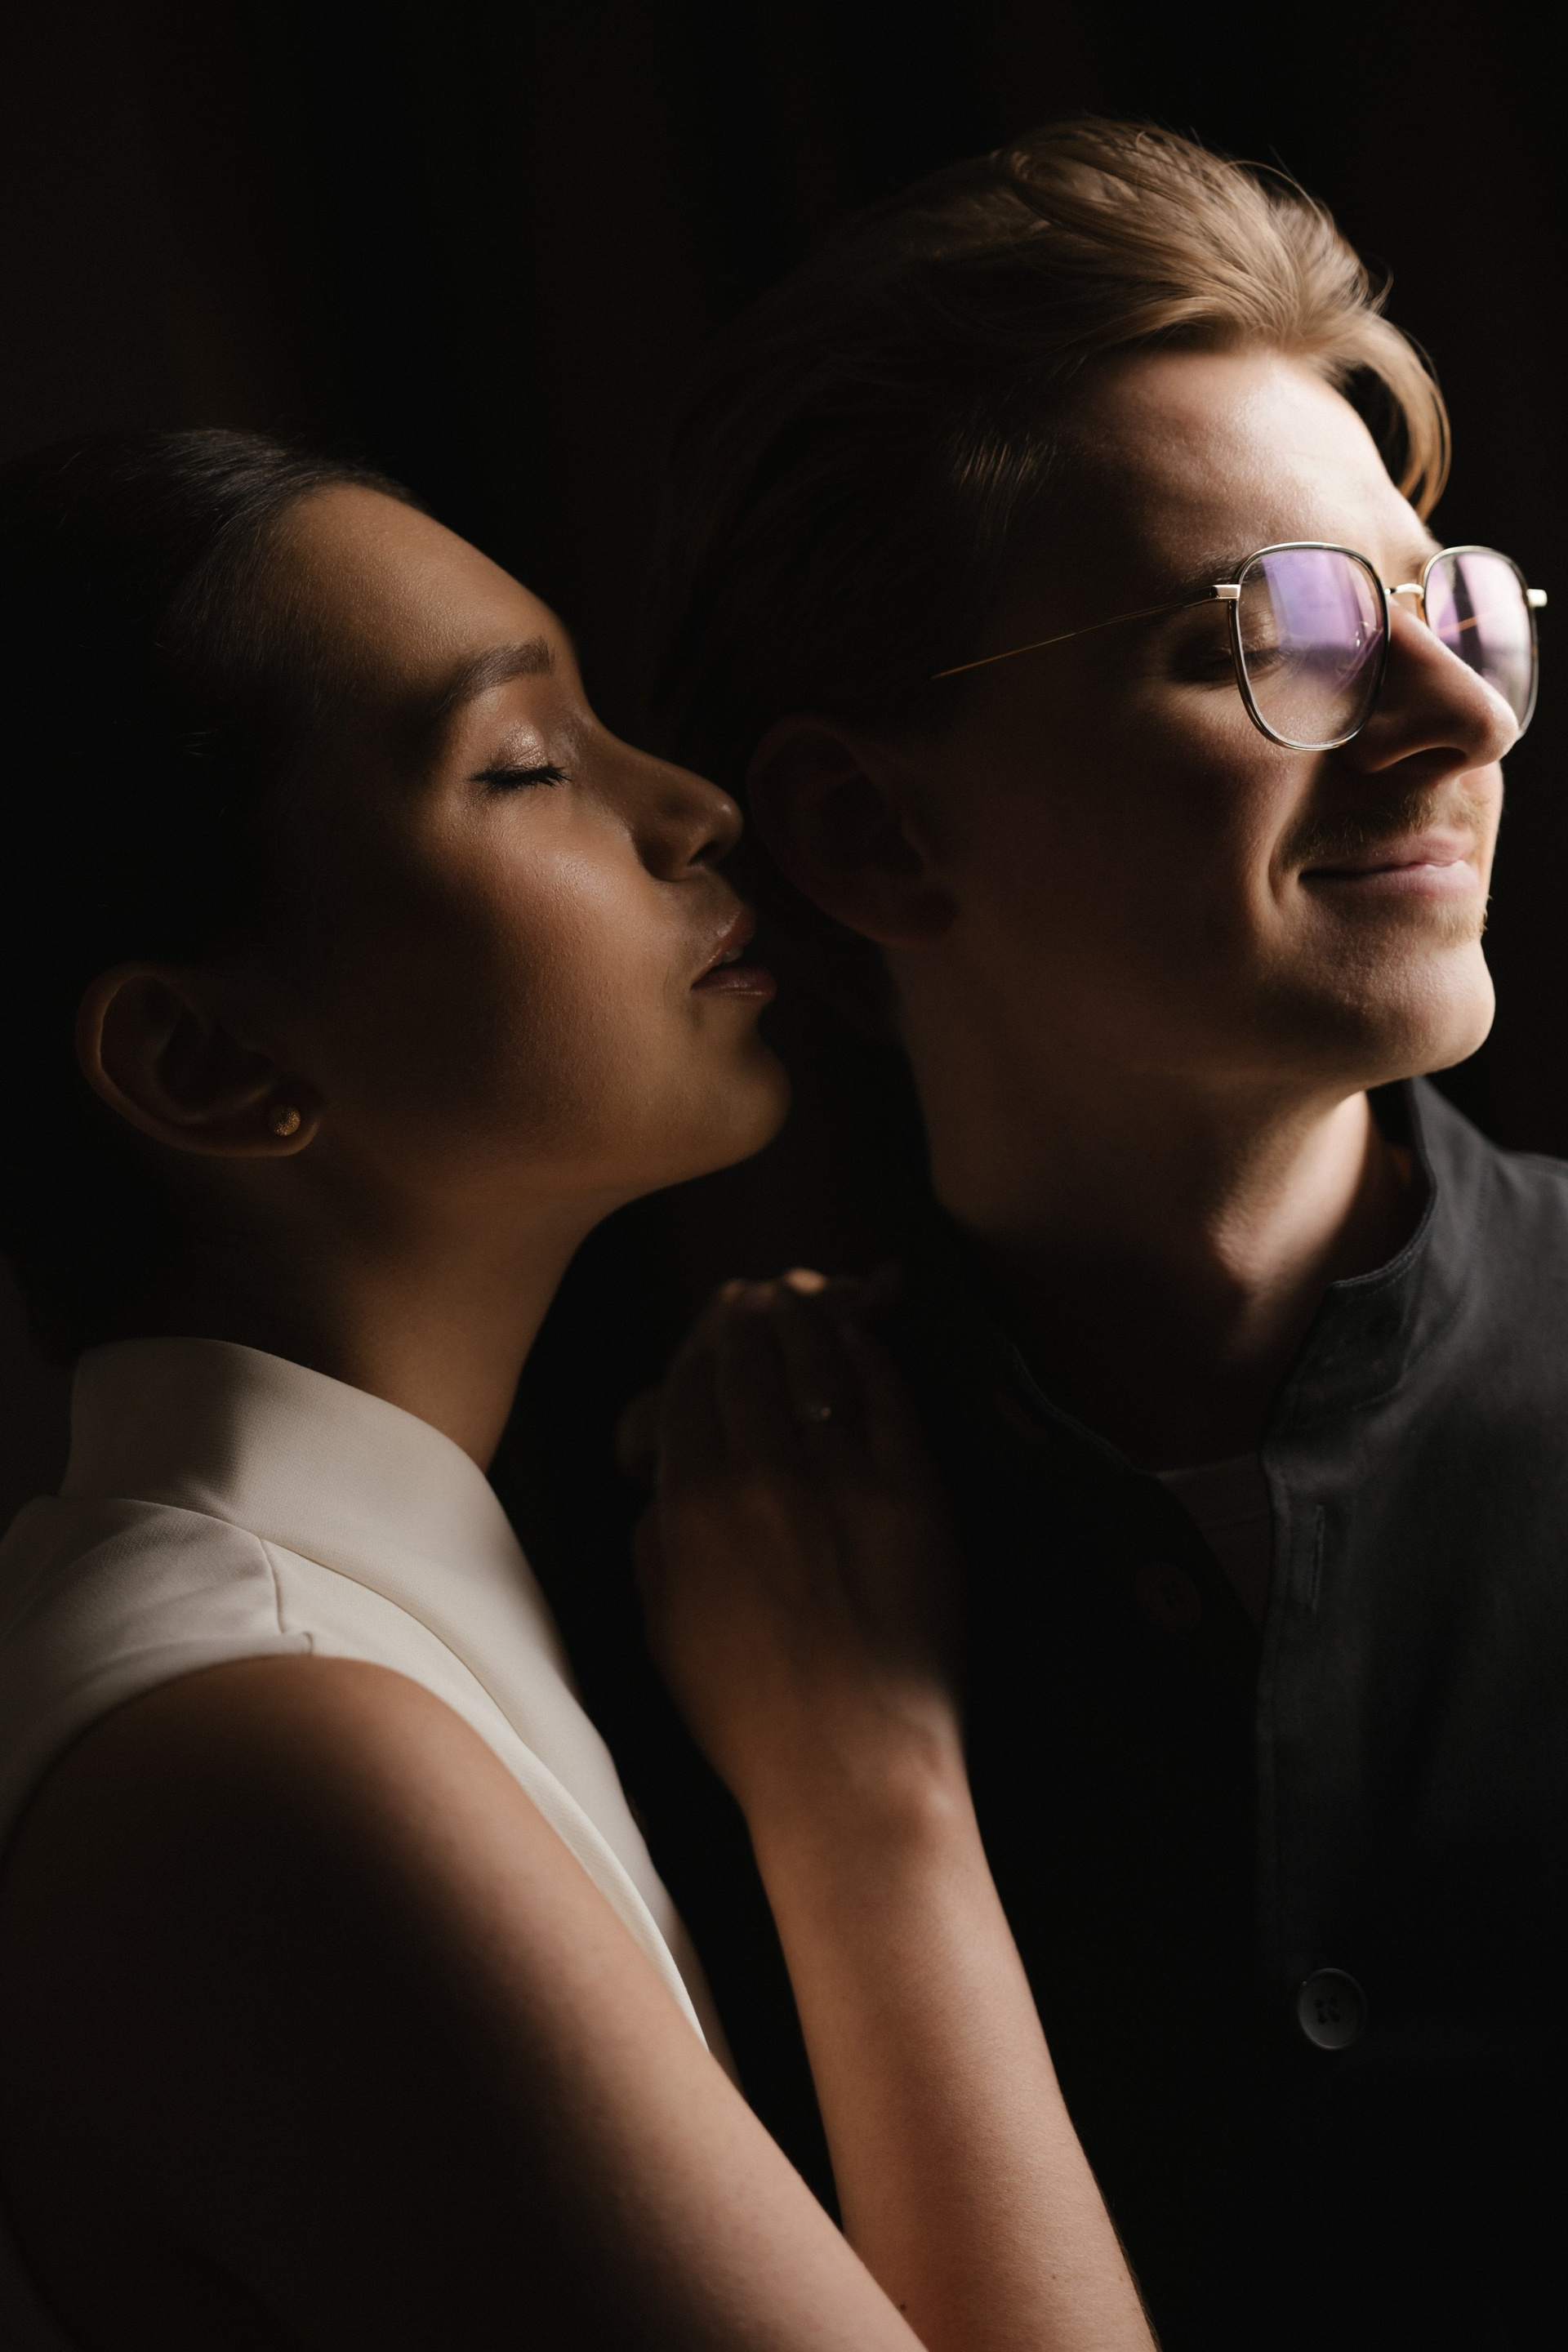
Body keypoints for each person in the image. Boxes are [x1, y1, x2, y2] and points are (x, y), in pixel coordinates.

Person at [0, 431, 1156, 2350]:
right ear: (206, 1063)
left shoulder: (282, 1635)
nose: (694, 808)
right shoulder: (271, 1749)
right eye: (527, 762)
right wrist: (861, 1790)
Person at [585, 118, 1563, 2350]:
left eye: (1449, 609)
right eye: (1285, 631)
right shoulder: (665, 1602)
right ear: (869, 829)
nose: (1465, 719)